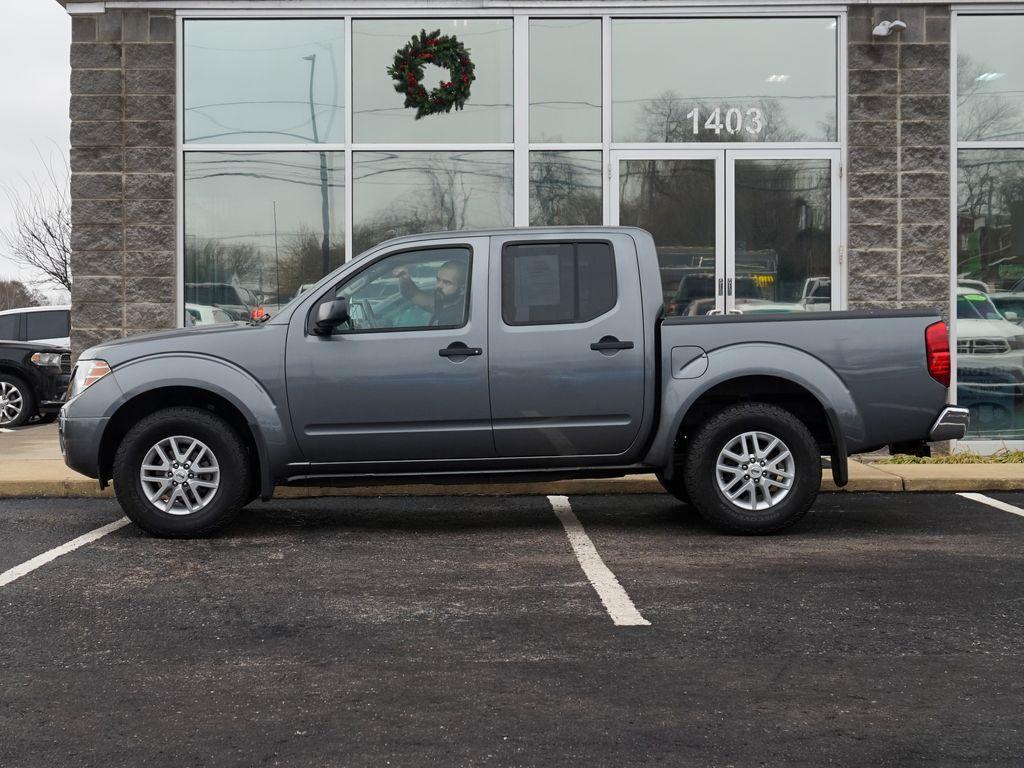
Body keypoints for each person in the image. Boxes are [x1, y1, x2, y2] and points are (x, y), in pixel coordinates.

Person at [392, 260, 468, 326]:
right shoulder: (443, 304)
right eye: (438, 280)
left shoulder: (459, 317)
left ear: (462, 289)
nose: (439, 286)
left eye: (447, 283)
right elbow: (412, 294)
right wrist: (404, 278)